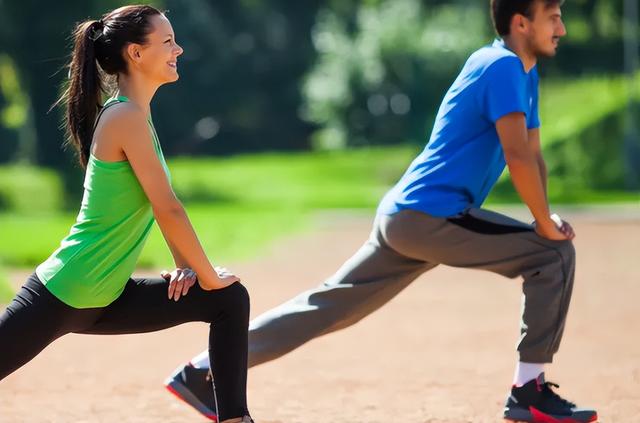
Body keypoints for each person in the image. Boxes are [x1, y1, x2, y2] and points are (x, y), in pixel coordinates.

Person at [165, 1, 598, 422]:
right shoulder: (501, 65)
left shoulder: (523, 72)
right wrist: (544, 226)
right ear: (521, 22)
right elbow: (517, 156)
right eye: (554, 18)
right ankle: (529, 390)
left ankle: (203, 372)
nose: (560, 29)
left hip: (409, 214)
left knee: (328, 305)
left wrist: (547, 216)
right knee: (551, 255)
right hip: (432, 215)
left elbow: (533, 153)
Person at [0, 5, 253, 423]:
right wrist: (205, 273)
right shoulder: (124, 117)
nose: (180, 49)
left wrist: (186, 268)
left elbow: (159, 204)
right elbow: (167, 208)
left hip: (106, 295)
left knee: (228, 300)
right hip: (67, 288)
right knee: (221, 290)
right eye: (168, 41)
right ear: (136, 53)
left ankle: (234, 419)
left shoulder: (136, 114)